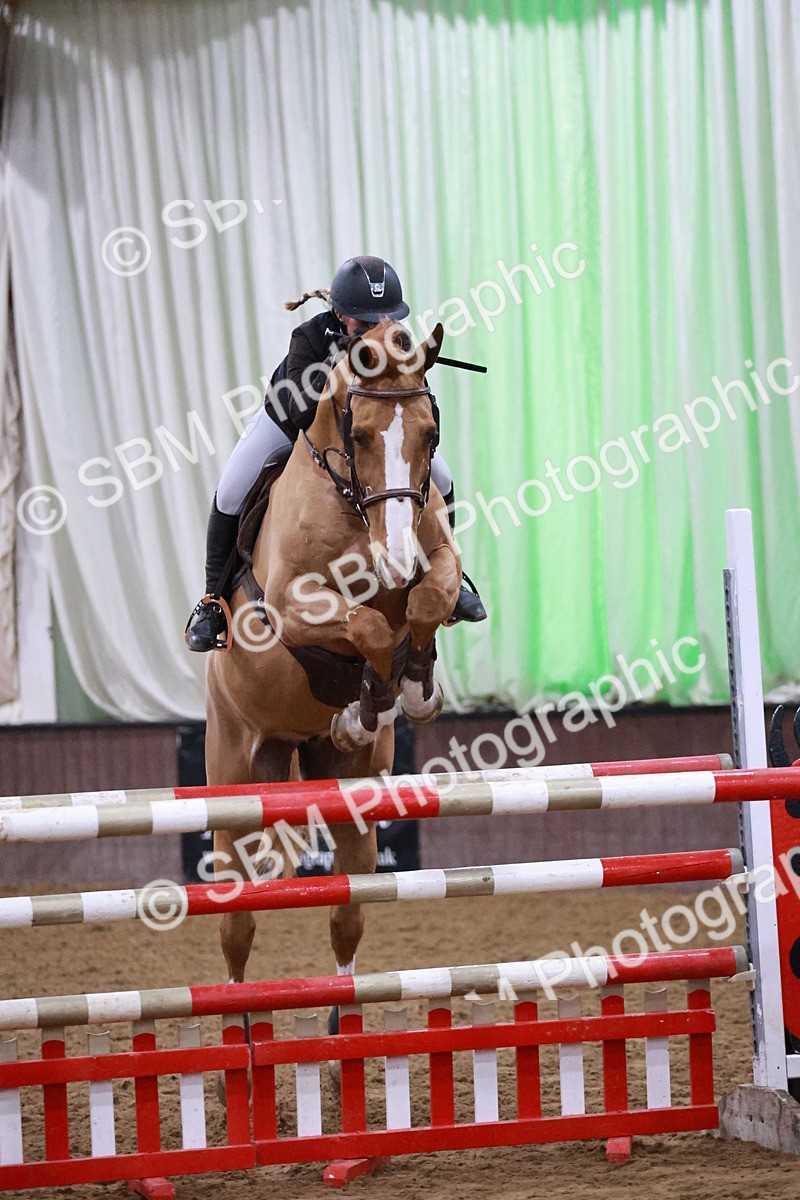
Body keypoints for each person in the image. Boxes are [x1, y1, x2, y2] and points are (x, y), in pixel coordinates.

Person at [186, 255, 487, 651]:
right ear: (341, 315)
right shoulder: (309, 338)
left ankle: (447, 577)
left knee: (443, 479)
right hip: (288, 425)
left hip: (363, 437)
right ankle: (212, 603)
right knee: (229, 492)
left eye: (385, 319)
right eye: (364, 323)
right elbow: (301, 410)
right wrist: (346, 369)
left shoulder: (396, 341)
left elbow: (417, 405)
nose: (376, 329)